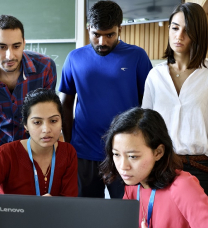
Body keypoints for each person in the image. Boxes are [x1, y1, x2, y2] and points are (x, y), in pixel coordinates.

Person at [142, 2, 208, 208]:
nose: (179, 36)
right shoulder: (155, 75)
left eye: (187, 30)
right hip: (161, 167)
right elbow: (145, 130)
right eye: (175, 27)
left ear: (198, 34)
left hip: (199, 168)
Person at [59, 0, 152, 198]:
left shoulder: (137, 56)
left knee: (127, 215)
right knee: (85, 215)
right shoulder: (74, 58)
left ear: (120, 28)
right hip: (84, 152)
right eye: (96, 35)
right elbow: (65, 104)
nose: (102, 42)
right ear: (88, 28)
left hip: (127, 153)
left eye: (109, 35)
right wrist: (69, 145)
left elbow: (149, 105)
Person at [99, 107, 208, 228]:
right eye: (116, 154)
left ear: (158, 152)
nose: (123, 166)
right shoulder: (133, 185)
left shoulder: (183, 187)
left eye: (133, 156)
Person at [0, 89, 78, 225]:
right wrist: (9, 220)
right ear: (26, 125)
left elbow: (69, 205)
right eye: (37, 122)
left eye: (53, 121)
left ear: (62, 121)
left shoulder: (68, 153)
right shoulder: (5, 154)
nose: (46, 129)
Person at [0, 15, 57, 167]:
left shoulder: (45, 68)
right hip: (0, 149)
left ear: (24, 44)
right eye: (2, 47)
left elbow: (48, 115)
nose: (10, 55)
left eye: (16, 46)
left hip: (38, 149)